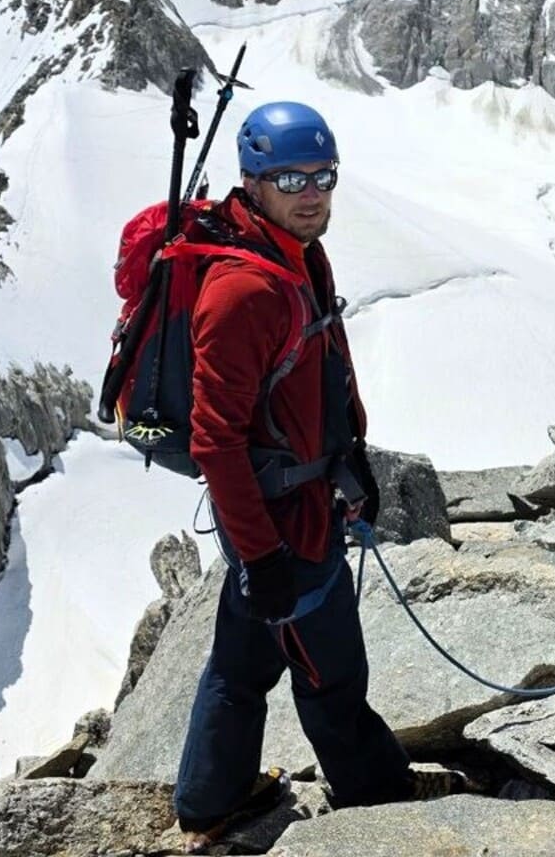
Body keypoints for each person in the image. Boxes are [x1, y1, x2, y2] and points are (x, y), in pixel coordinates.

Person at [174, 101, 461, 852]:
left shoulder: (297, 254)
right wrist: (264, 557)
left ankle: (210, 799)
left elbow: (320, 367)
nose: (312, 193)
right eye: (291, 178)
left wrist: (350, 453)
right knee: (332, 675)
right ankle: (380, 801)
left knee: (242, 661)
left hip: (296, 505)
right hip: (283, 528)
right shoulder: (243, 292)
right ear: (253, 182)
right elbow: (215, 442)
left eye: (323, 176)